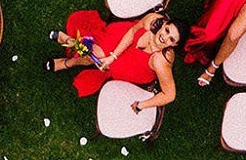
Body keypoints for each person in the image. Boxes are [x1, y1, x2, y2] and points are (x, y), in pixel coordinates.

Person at [49, 9, 181, 112]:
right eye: (167, 30)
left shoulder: (160, 60)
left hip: (136, 67)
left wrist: (141, 105)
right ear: (164, 24)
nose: (165, 37)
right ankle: (69, 55)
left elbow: (170, 95)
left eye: (171, 39)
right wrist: (113, 56)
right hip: (126, 38)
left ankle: (69, 55)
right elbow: (132, 32)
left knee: (98, 57)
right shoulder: (153, 20)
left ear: (174, 45)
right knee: (98, 53)